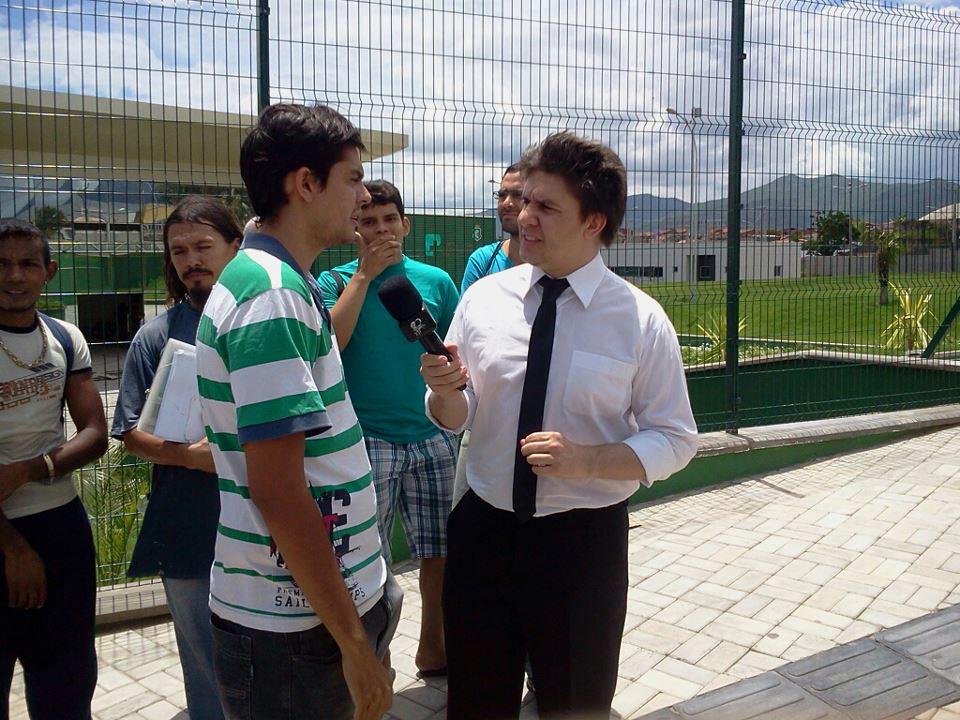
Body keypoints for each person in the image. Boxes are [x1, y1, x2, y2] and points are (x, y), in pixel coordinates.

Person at [421, 132, 698, 719]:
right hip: (484, 528)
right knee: (475, 701)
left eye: (545, 206)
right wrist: (444, 394)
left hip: (583, 543)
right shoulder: (483, 300)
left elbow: (675, 437)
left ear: (594, 222)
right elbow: (458, 415)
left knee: (575, 703)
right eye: (525, 200)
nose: (524, 216)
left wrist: (588, 460)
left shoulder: (640, 321)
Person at [195, 103, 399, 720]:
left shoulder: (283, 278)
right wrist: (354, 644)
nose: (363, 196)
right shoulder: (271, 295)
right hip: (294, 631)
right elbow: (279, 490)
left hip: (309, 613)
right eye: (353, 179)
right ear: (305, 183)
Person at [318, 179, 458, 678]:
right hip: (367, 440)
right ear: (353, 227)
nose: (381, 231)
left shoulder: (435, 281)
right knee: (364, 558)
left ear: (406, 224)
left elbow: (457, 348)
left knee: (441, 551)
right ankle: (375, 661)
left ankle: (434, 648)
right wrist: (364, 275)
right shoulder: (334, 281)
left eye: (389, 220)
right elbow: (329, 344)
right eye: (368, 221)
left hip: (434, 435)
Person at [112, 196, 242, 720]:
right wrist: (192, 458)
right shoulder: (156, 336)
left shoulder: (264, 323)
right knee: (204, 661)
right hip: (187, 526)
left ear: (236, 246)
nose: (192, 260)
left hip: (264, 522)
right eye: (179, 251)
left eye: (203, 246)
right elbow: (129, 432)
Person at [0, 218, 108, 720]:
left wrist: (28, 470)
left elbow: (95, 434)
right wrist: (14, 549)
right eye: (2, 264)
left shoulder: (64, 338)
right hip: (6, 533)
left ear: (49, 271)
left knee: (66, 682)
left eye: (27, 264)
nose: (14, 276)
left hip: (60, 526)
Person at [460, 163, 524, 294]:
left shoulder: (554, 266)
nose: (507, 203)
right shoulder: (483, 261)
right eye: (502, 195)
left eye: (518, 195)